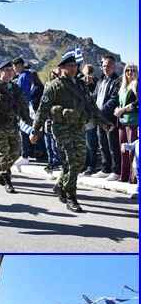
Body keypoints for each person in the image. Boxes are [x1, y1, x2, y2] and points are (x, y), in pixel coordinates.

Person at [31, 52, 113, 212]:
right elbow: (42, 110)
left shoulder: (81, 85)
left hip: (78, 127)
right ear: (61, 68)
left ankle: (60, 185)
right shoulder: (53, 86)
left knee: (80, 161)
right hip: (61, 128)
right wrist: (35, 130)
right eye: (70, 66)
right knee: (71, 161)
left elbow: (91, 106)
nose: (74, 68)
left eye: (75, 66)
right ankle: (71, 196)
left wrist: (104, 122)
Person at [0, 60, 31, 193]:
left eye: (11, 70)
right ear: (1, 72)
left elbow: (22, 105)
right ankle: (7, 179)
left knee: (16, 152)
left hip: (13, 125)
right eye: (7, 70)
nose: (10, 73)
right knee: (4, 153)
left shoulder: (15, 88)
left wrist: (28, 120)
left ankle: (0, 169)